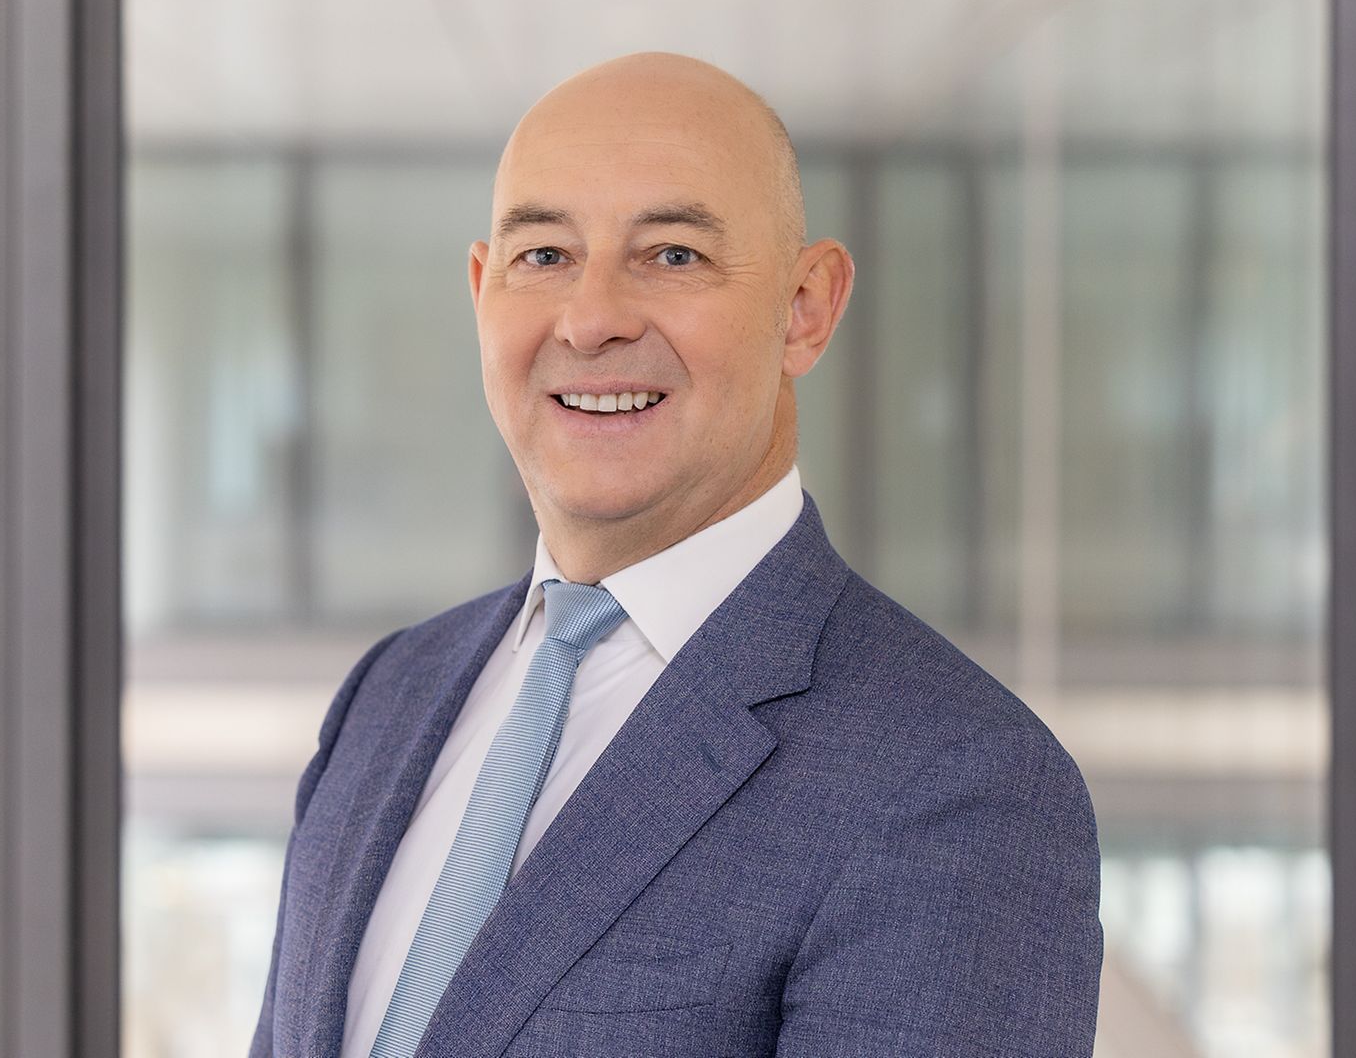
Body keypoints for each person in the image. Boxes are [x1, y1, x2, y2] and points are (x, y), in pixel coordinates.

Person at [249, 52, 1102, 1058]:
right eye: (545, 255)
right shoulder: (387, 697)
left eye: (673, 255)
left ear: (806, 308)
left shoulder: (957, 784)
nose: (592, 319)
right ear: (483, 291)